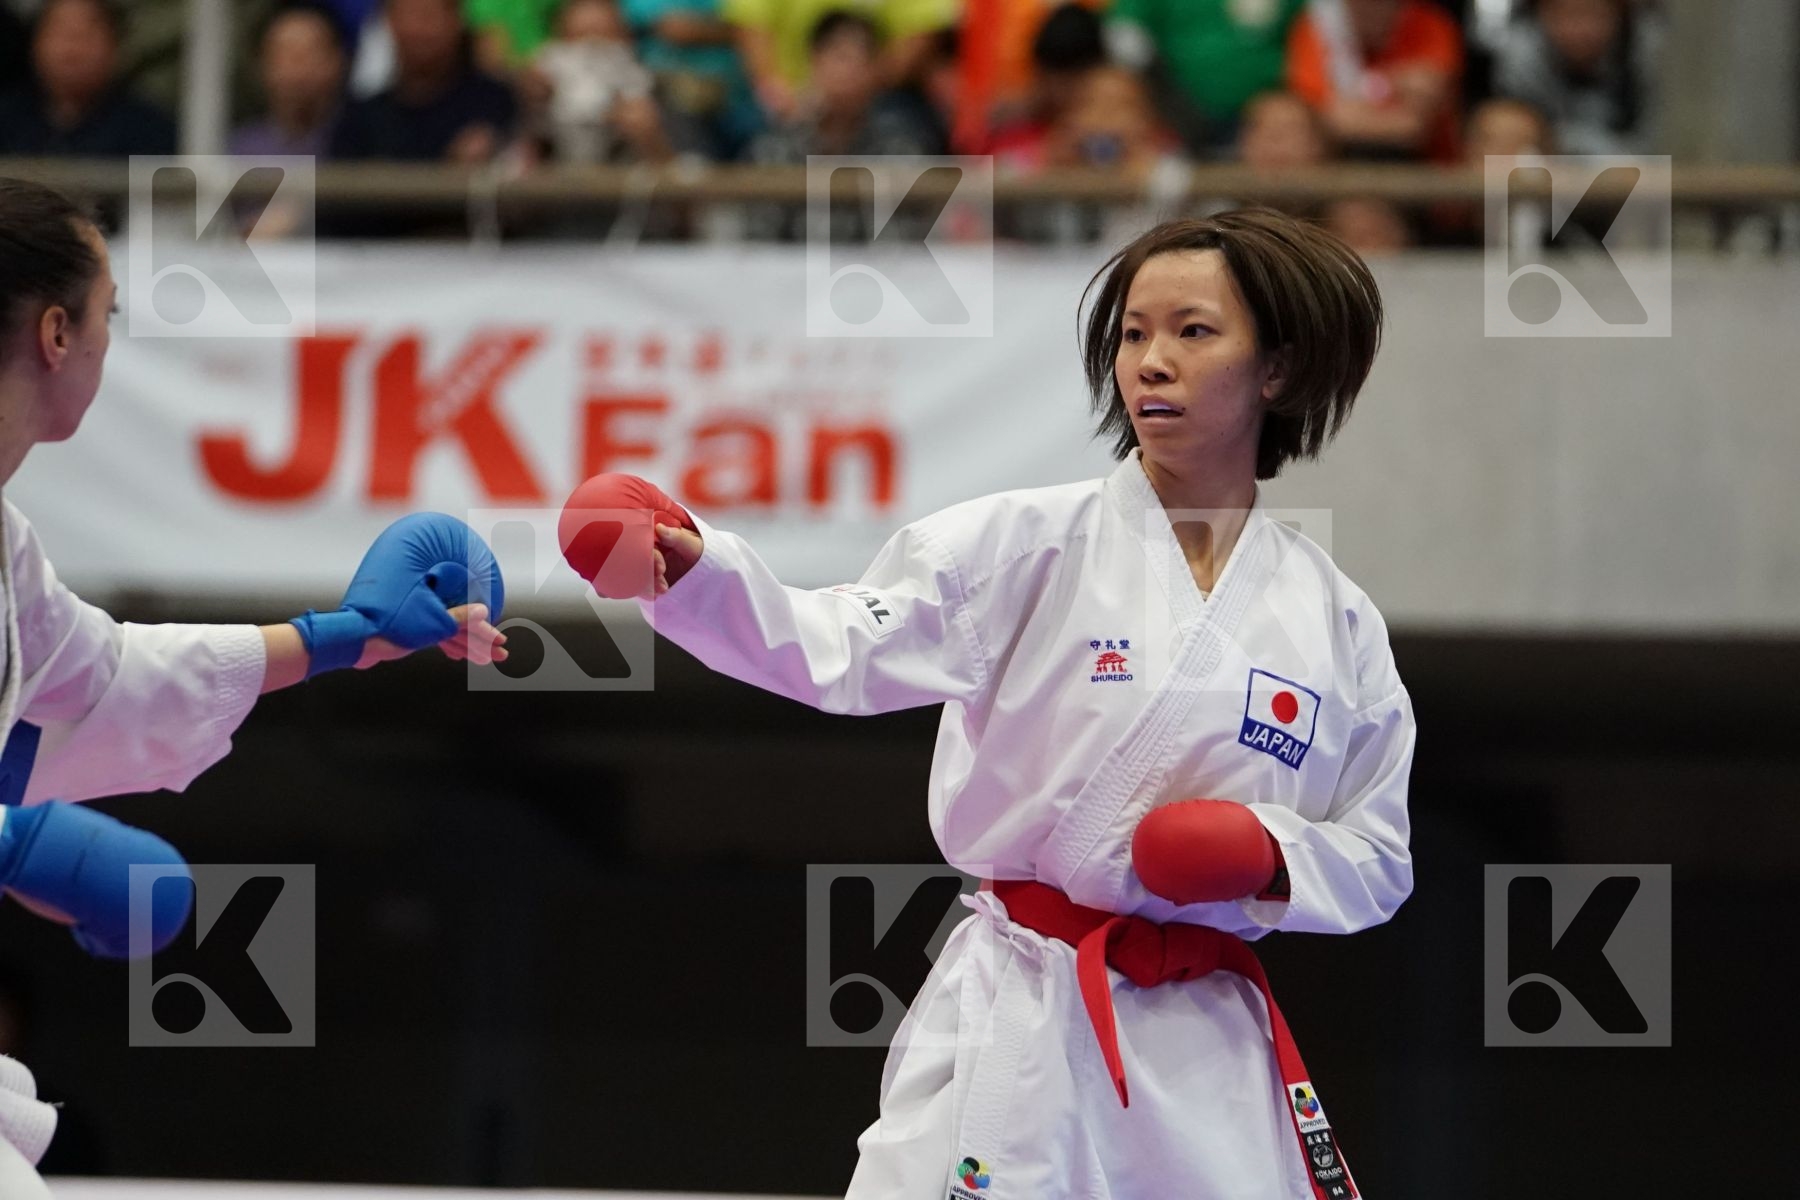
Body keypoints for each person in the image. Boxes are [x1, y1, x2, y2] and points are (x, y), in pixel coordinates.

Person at [562, 209, 1414, 1198]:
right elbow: (837, 647)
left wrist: (1271, 855)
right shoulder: (1025, 543)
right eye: (1134, 333)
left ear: (1278, 369)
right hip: (1029, 1004)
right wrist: (695, 571)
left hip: (1210, 1040)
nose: (1150, 361)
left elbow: (1380, 856)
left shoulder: (1335, 622)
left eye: (1193, 331)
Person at [0, 177, 508, 1191]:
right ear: (58, 332)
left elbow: (101, 685)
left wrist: (339, 639)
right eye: (109, 319)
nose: (109, 347)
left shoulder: (6, 547)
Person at [1286, 0, 1463, 162]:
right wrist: (1395, 84)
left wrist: (1354, 101)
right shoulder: (1320, 26)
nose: (1372, 9)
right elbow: (1328, 121)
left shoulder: (1430, 26)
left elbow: (1414, 128)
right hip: (1334, 166)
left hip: (1427, 167)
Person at [0, 0, 177, 158]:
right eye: (61, 30)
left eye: (87, 32)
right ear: (35, 43)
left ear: (115, 45)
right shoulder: (7, 118)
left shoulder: (149, 128)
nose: (73, 48)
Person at [1490, 0, 1659, 157]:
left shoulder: (1650, 53)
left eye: (1594, 13)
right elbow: (1519, 139)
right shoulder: (1522, 56)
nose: (1580, 30)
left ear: (1620, 13)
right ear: (1540, 13)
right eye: (1565, 13)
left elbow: (1659, 143)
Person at [231, 1, 352, 158]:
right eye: (284, 55)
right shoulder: (240, 150)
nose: (298, 70)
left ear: (339, 60)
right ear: (261, 65)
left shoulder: (365, 144)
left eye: (311, 53)